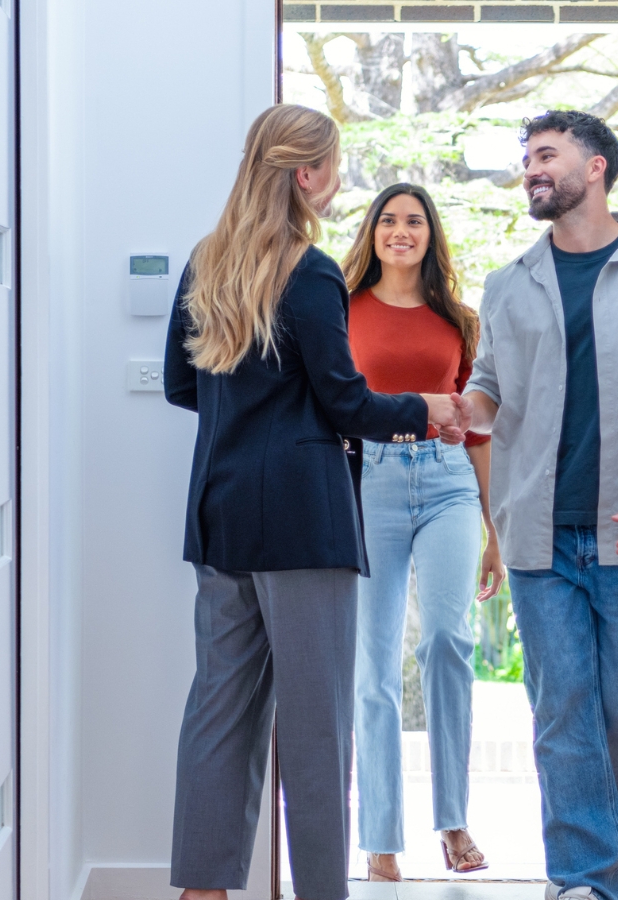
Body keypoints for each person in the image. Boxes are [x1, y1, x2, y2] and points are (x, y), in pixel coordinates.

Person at [163, 105, 466, 900]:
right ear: (306, 175)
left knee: (218, 712)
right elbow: (346, 402)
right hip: (303, 523)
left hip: (220, 516)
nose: (337, 182)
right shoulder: (311, 270)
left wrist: (256, 417)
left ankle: (203, 891)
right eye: (332, 167)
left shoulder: (206, 260)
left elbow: (179, 385)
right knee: (316, 727)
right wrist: (425, 410)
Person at [458, 110, 618, 900]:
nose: (532, 169)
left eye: (546, 156)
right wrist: (466, 408)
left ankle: (597, 823)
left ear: (596, 168)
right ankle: (584, 879)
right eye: (527, 158)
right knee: (563, 714)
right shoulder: (508, 283)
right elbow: (489, 387)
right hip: (537, 532)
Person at [338, 183, 502, 881]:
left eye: (414, 222)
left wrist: (492, 524)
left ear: (431, 237)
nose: (400, 231)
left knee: (447, 639)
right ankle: (379, 836)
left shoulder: (458, 321)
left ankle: (454, 819)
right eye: (388, 220)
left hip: (447, 483)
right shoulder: (338, 311)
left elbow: (478, 429)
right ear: (372, 233)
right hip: (369, 479)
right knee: (372, 666)